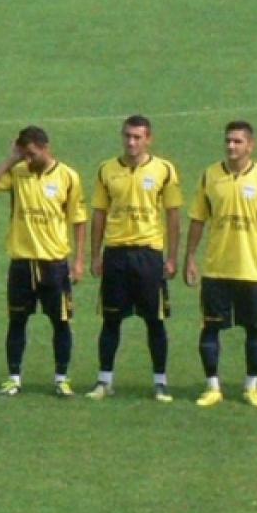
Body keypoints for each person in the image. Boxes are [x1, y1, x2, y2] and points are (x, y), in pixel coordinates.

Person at [184, 121, 257, 408]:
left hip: (250, 269)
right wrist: (190, 257)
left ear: (250, 145)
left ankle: (251, 387)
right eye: (228, 141)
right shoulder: (210, 176)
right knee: (210, 328)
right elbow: (197, 219)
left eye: (238, 141)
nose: (231, 146)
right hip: (216, 268)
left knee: (255, 329)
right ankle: (212, 387)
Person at [0, 126, 87, 397]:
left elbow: (78, 220)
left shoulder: (68, 177)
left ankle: (61, 379)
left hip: (54, 264)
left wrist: (79, 261)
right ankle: (14, 378)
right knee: (17, 321)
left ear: (46, 147)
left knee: (61, 322)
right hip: (22, 264)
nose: (28, 159)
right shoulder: (17, 173)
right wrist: (11, 159)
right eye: (24, 154)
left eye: (31, 154)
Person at [87, 115, 182, 402]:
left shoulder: (164, 170)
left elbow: (173, 214)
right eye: (127, 136)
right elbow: (99, 214)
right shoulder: (106, 170)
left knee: (155, 321)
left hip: (148, 254)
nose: (131, 142)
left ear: (148, 139)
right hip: (116, 253)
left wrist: (172, 257)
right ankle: (104, 381)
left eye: (137, 137)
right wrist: (95, 255)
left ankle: (160, 382)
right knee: (111, 320)